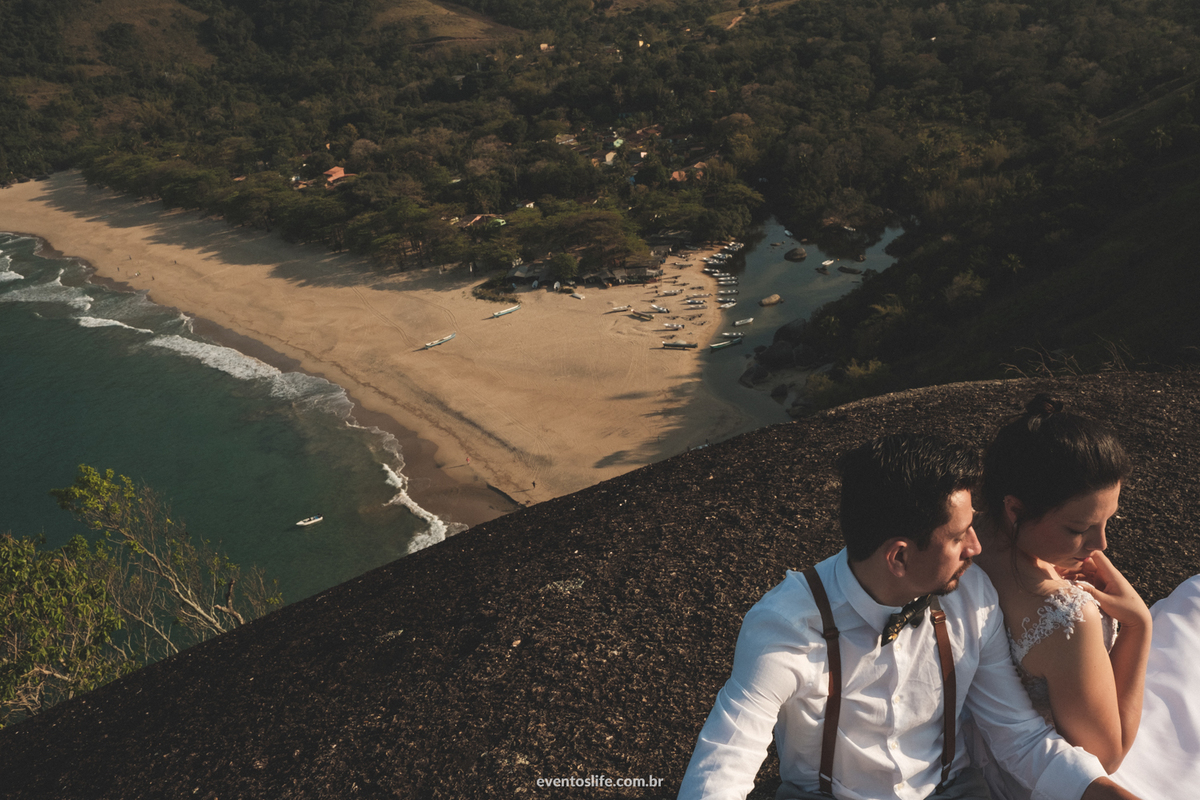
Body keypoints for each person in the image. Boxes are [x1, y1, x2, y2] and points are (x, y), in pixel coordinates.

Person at [678, 432, 1140, 800]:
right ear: (899, 557)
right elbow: (727, 756)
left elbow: (1017, 736)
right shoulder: (787, 625)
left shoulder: (973, 596)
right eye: (960, 537)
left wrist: (1102, 793)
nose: (977, 548)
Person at [971, 396, 1200, 799]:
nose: (1101, 544)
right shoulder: (1062, 617)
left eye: (1107, 520)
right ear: (1014, 508)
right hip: (1053, 776)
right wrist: (1136, 625)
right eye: (1078, 528)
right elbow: (1106, 758)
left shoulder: (968, 532)